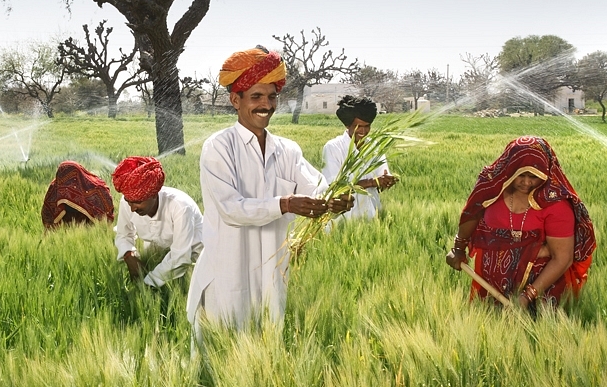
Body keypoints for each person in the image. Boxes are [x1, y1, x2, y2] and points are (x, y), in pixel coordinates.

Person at [186, 46, 353, 333]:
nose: (266, 104)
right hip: (228, 273)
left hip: (273, 274)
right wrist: (285, 204)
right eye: (256, 97)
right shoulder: (218, 147)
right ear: (235, 100)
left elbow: (317, 189)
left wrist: (335, 201)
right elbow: (231, 209)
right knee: (218, 356)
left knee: (267, 345)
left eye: (272, 97)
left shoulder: (287, 150)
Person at [445, 136, 596, 312]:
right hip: (489, 288)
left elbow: (563, 258)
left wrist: (527, 296)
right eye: (521, 175)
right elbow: (472, 213)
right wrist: (458, 247)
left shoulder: (555, 204)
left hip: (542, 293)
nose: (526, 182)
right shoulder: (491, 188)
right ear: (510, 170)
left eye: (533, 176)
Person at [112, 155, 204, 287]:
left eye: (138, 202)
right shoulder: (128, 202)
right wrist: (128, 255)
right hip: (156, 255)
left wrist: (148, 283)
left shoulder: (180, 207)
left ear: (154, 194)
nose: (132, 208)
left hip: (194, 258)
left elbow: (180, 257)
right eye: (128, 201)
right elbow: (123, 234)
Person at [321, 95, 399, 220]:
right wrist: (372, 182)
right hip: (345, 218)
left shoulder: (375, 147)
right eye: (358, 126)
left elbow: (380, 182)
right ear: (348, 125)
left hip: (372, 215)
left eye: (367, 126)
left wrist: (386, 181)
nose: (363, 131)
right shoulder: (333, 147)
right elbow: (335, 187)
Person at [41, 161, 115, 228]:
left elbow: (105, 212)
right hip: (65, 231)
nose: (66, 187)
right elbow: (48, 216)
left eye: (70, 180)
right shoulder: (54, 188)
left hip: (89, 228)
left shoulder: (96, 189)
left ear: (76, 177)